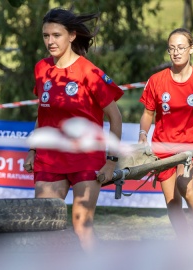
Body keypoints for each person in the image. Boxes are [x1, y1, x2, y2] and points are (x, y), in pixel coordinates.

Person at [24, 7, 123, 252]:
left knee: (82, 227)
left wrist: (111, 161)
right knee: (45, 227)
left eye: (56, 35)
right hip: (49, 160)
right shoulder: (41, 69)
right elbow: (43, 114)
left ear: (71, 36)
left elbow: (115, 117)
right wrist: (32, 150)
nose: (50, 41)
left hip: (86, 159)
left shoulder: (90, 73)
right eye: (46, 36)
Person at [138, 28, 193, 238]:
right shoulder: (156, 81)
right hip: (163, 147)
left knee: (185, 185)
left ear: (191, 48)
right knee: (172, 201)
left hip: (192, 146)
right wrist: (142, 134)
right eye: (172, 48)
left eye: (181, 48)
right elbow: (148, 114)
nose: (176, 52)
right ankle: (185, 242)